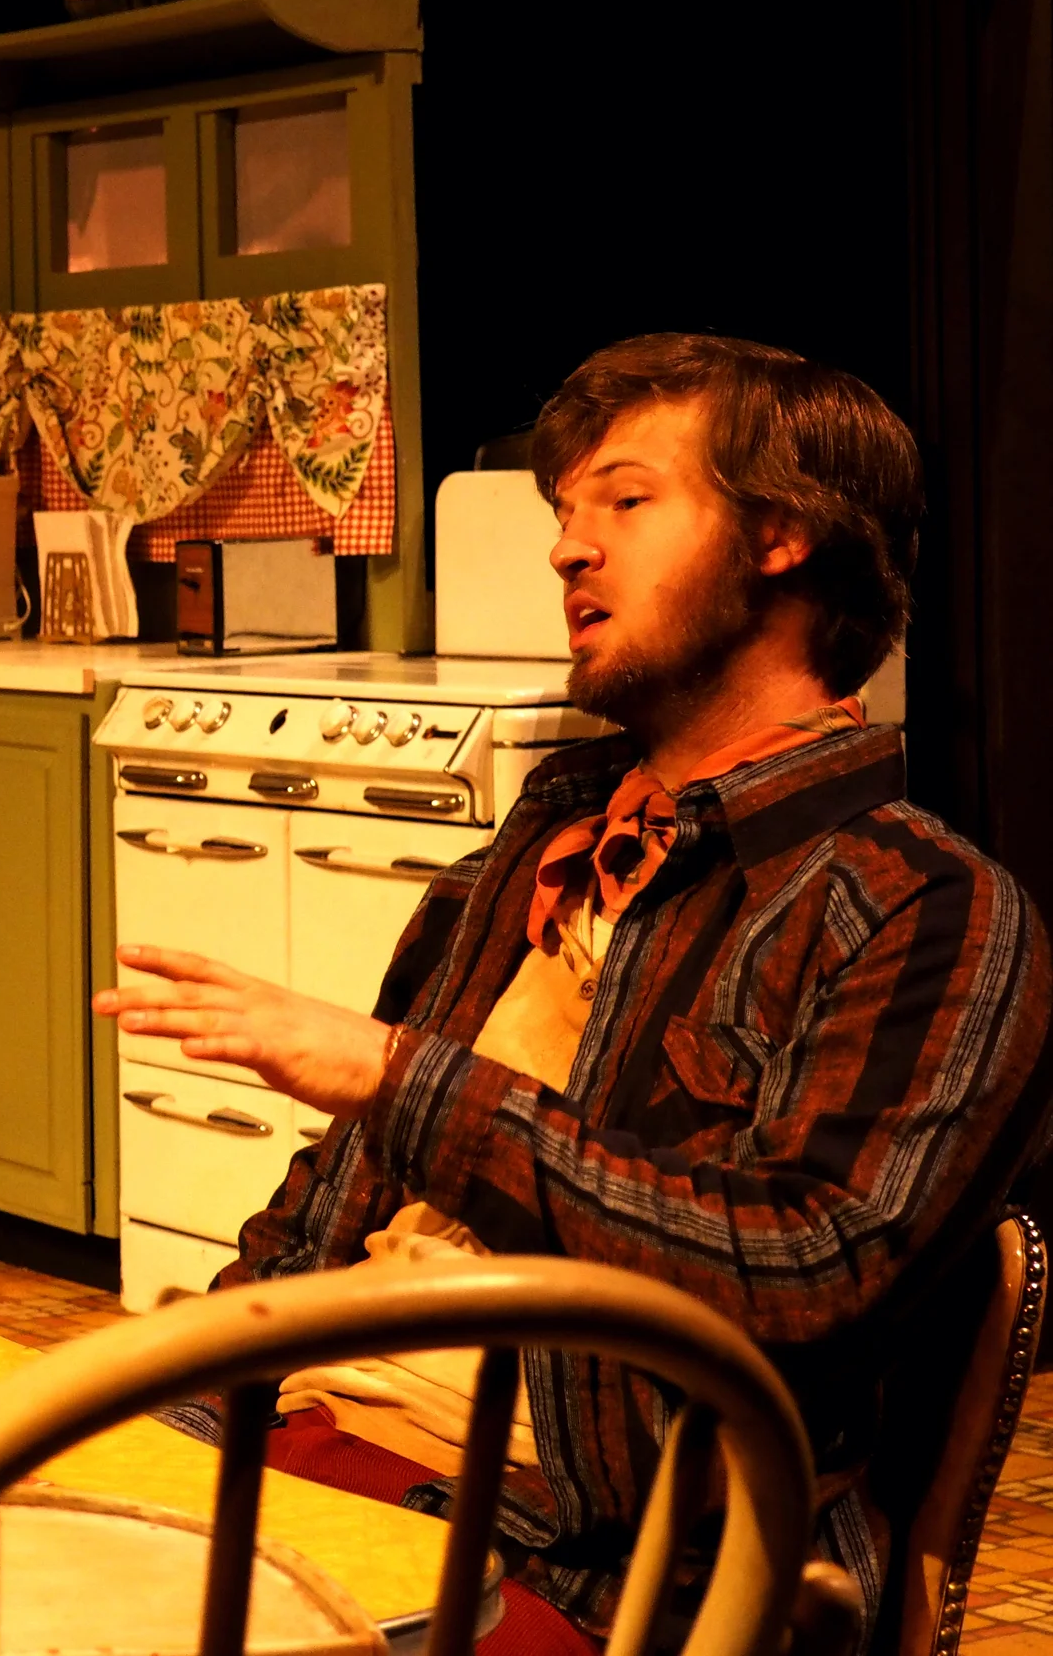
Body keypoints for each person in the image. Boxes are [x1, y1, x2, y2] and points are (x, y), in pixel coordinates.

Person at [95, 334, 1053, 1653]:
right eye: (563, 509)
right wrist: (173, 1404)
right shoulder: (540, 847)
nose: (565, 547)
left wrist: (404, 1077)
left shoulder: (927, 910)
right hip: (297, 1444)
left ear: (782, 537)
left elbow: (810, 1279)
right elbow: (329, 1204)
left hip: (574, 1559)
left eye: (626, 499)